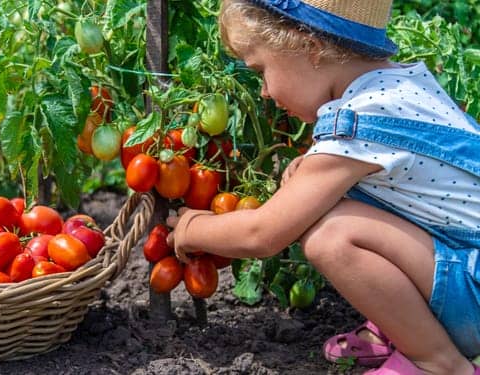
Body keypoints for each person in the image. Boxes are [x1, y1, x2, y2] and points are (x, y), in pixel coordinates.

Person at [169, 0, 480, 373]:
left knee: (331, 236)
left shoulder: (359, 119)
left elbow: (263, 233)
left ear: (310, 48)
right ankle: (405, 329)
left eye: (261, 70)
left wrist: (193, 228)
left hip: (473, 289)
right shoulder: (401, 87)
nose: (264, 91)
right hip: (467, 267)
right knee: (339, 209)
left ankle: (437, 361)